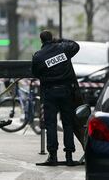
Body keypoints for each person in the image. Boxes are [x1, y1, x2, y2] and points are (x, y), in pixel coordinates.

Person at [31, 30, 80, 166]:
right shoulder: (63, 48)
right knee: (67, 124)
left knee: (51, 125)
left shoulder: (38, 56)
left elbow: (35, 73)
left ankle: (53, 157)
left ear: (41, 40)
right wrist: (59, 40)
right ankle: (69, 157)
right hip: (66, 91)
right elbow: (75, 45)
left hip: (50, 93)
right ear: (51, 38)